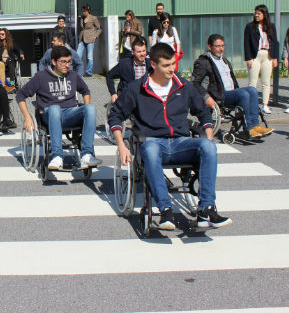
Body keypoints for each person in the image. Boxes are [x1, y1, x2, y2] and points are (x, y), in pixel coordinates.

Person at [109, 42, 232, 230]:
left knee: (208, 146)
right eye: (166, 65)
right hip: (153, 143)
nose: (172, 69)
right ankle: (166, 210)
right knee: (149, 148)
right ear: (154, 65)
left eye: (173, 64)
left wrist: (208, 135)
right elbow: (116, 115)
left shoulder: (183, 86)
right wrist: (122, 145)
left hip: (180, 142)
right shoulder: (137, 88)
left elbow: (203, 113)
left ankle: (206, 210)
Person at [17, 45, 100, 170]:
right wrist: (27, 117)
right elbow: (20, 95)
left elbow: (85, 91)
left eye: (69, 61)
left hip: (70, 113)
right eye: (63, 62)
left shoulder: (72, 75)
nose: (67, 65)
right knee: (55, 108)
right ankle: (57, 156)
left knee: (90, 109)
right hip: (49, 114)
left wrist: (86, 111)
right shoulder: (41, 77)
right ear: (54, 62)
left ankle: (87, 155)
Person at [192, 34, 274, 139]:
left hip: (232, 92)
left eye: (222, 46)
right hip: (219, 95)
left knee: (253, 90)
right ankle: (249, 128)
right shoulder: (203, 62)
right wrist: (206, 97)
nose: (221, 49)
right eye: (217, 46)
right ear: (210, 47)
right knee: (243, 94)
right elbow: (194, 83)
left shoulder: (224, 60)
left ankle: (255, 126)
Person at [244, 4, 278, 114]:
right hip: (255, 55)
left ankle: (265, 104)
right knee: (252, 81)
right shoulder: (250, 26)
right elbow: (246, 43)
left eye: (259, 13)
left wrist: (275, 58)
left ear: (264, 14)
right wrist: (248, 58)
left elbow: (275, 42)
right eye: (255, 13)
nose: (256, 15)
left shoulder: (271, 26)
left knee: (266, 81)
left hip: (267, 54)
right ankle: (251, 104)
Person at [106, 37, 152, 103]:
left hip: (146, 97)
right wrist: (113, 93)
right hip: (128, 98)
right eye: (139, 52)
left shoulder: (151, 64)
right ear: (132, 52)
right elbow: (109, 75)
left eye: (144, 51)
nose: (142, 54)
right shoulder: (124, 64)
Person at [77, 4, 101, 77]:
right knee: (78, 55)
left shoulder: (93, 18)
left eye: (85, 11)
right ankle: (79, 71)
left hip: (90, 39)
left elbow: (99, 28)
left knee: (89, 57)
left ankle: (88, 72)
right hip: (82, 39)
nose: (83, 12)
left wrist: (95, 36)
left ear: (88, 11)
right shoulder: (81, 18)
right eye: (82, 11)